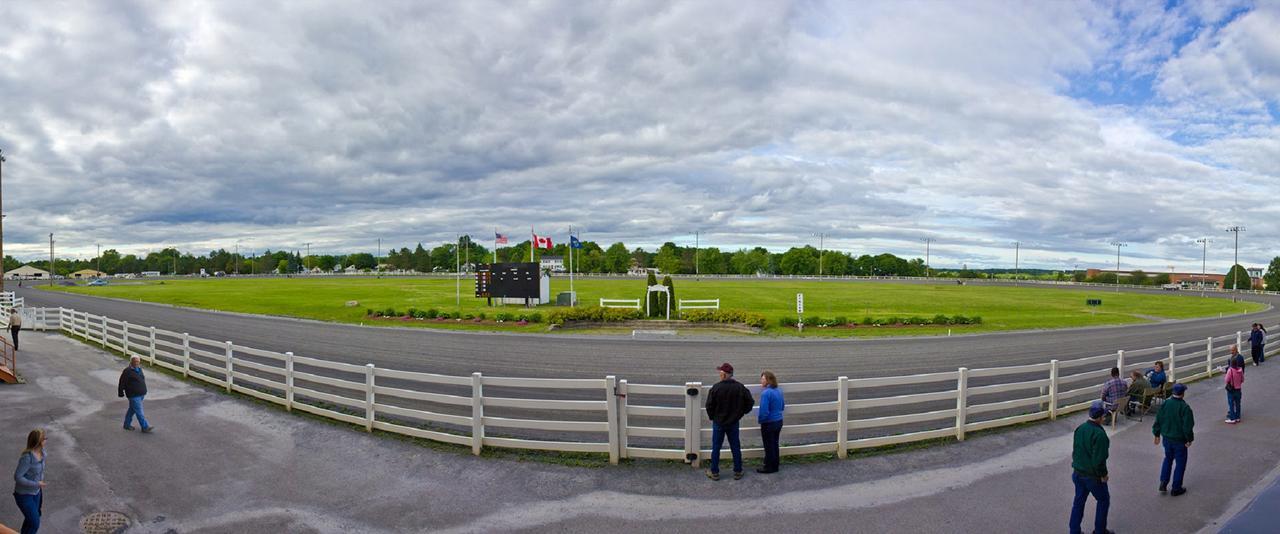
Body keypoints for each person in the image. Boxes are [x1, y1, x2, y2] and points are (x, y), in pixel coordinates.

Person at [704, 362, 753, 481]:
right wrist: (740, 414)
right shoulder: (740, 387)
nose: (720, 374)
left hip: (719, 422)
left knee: (716, 447)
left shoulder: (716, 388)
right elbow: (750, 402)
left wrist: (713, 417)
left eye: (721, 372)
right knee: (735, 446)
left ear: (724, 374)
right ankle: (738, 470)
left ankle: (714, 471)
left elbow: (709, 406)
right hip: (733, 422)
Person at [1069, 401, 1113, 534]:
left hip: (1077, 472)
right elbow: (1099, 460)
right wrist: (1103, 475)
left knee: (1078, 503)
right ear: (1100, 418)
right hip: (1092, 477)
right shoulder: (1100, 435)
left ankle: (1074, 531)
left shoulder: (1080, 428)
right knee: (1103, 500)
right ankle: (1100, 530)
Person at [1153, 383, 1194, 496]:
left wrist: (1156, 434)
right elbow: (1188, 426)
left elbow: (1158, 419)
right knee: (1180, 463)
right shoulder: (1185, 408)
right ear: (1183, 394)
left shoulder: (1166, 403)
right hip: (1179, 440)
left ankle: (1163, 482)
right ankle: (1176, 488)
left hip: (1166, 438)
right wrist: (1189, 439)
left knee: (1168, 459)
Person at [13, 428, 46, 534]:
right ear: (39, 442)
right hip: (24, 495)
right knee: (35, 522)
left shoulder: (42, 453)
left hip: (36, 493)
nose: (46, 440)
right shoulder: (27, 458)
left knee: (31, 519)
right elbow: (17, 477)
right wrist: (36, 483)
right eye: (44, 438)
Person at [756, 370, 785, 474]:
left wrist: (761, 421)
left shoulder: (766, 393)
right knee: (775, 443)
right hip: (779, 420)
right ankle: (775, 464)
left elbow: (764, 411)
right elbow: (782, 406)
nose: (761, 380)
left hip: (769, 422)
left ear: (768, 380)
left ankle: (769, 467)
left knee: (768, 445)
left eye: (763, 378)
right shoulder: (778, 391)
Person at [118, 355, 155, 433]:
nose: (137, 363)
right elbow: (122, 382)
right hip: (133, 395)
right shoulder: (127, 371)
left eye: (138, 361)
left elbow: (142, 379)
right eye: (135, 361)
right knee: (139, 411)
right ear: (131, 362)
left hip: (141, 394)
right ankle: (145, 427)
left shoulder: (139, 369)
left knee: (132, 410)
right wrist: (120, 392)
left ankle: (126, 424)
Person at [1225, 357, 1244, 424]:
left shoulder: (1230, 370)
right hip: (1238, 389)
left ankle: (1232, 418)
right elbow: (1242, 380)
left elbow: (1226, 380)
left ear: (1231, 364)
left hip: (1232, 390)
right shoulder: (1240, 370)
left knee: (1231, 404)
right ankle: (1238, 417)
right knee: (1238, 404)